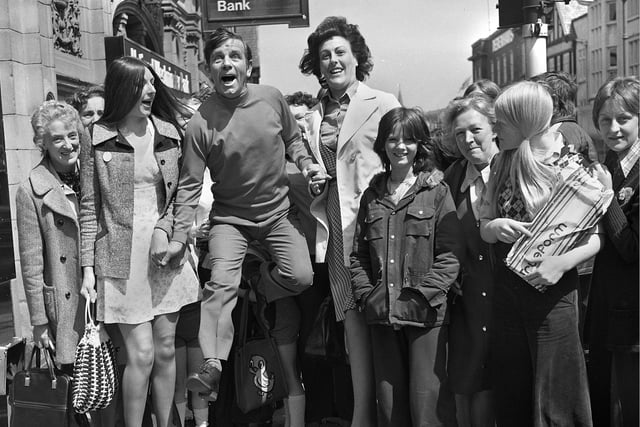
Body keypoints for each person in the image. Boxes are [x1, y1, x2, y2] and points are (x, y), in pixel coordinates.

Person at [162, 28, 322, 404]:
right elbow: (187, 187)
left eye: (235, 56)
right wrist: (177, 236)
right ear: (206, 69)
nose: (227, 64)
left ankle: (258, 283)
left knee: (301, 276)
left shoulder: (272, 99)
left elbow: (294, 140)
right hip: (230, 220)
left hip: (278, 215)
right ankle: (212, 364)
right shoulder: (200, 123)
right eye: (218, 59)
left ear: (249, 67)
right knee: (219, 285)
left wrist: (307, 164)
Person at [79, 56, 200, 427]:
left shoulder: (168, 133)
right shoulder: (96, 137)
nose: (150, 90)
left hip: (166, 254)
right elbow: (89, 206)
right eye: (141, 84)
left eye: (152, 83)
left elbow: (181, 195)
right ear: (122, 89)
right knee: (142, 354)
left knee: (165, 349)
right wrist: (87, 269)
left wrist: (168, 233)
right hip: (118, 255)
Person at [479, 81, 601, 426]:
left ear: (524, 120)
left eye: (500, 121)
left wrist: (560, 264)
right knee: (514, 392)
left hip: (554, 295)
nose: (494, 129)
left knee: (557, 396)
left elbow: (595, 238)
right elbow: (483, 223)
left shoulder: (571, 166)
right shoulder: (500, 163)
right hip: (507, 293)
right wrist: (494, 227)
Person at [299, 16, 400, 426]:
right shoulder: (309, 116)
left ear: (357, 57)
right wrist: (312, 179)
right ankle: (362, 416)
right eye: (324, 55)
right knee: (352, 321)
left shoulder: (384, 103)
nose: (333, 60)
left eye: (340, 52)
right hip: (336, 227)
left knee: (386, 318)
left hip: (377, 224)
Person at [350, 107, 460, 426]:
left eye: (409, 140)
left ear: (419, 146)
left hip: (426, 317)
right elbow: (358, 255)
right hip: (382, 317)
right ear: (383, 144)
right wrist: (368, 295)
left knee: (428, 409)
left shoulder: (437, 192)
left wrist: (419, 295)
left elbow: (450, 254)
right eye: (393, 139)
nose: (401, 146)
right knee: (389, 411)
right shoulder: (372, 195)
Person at [443, 93, 499, 427]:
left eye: (475, 129)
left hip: (508, 301)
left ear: (494, 128)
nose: (467, 140)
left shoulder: (515, 167)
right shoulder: (450, 179)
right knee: (469, 382)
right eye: (459, 134)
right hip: (467, 304)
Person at [586, 76, 639, 427]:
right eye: (605, 120)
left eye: (623, 119)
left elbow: (632, 248)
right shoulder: (610, 165)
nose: (613, 128)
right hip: (607, 312)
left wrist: (607, 197)